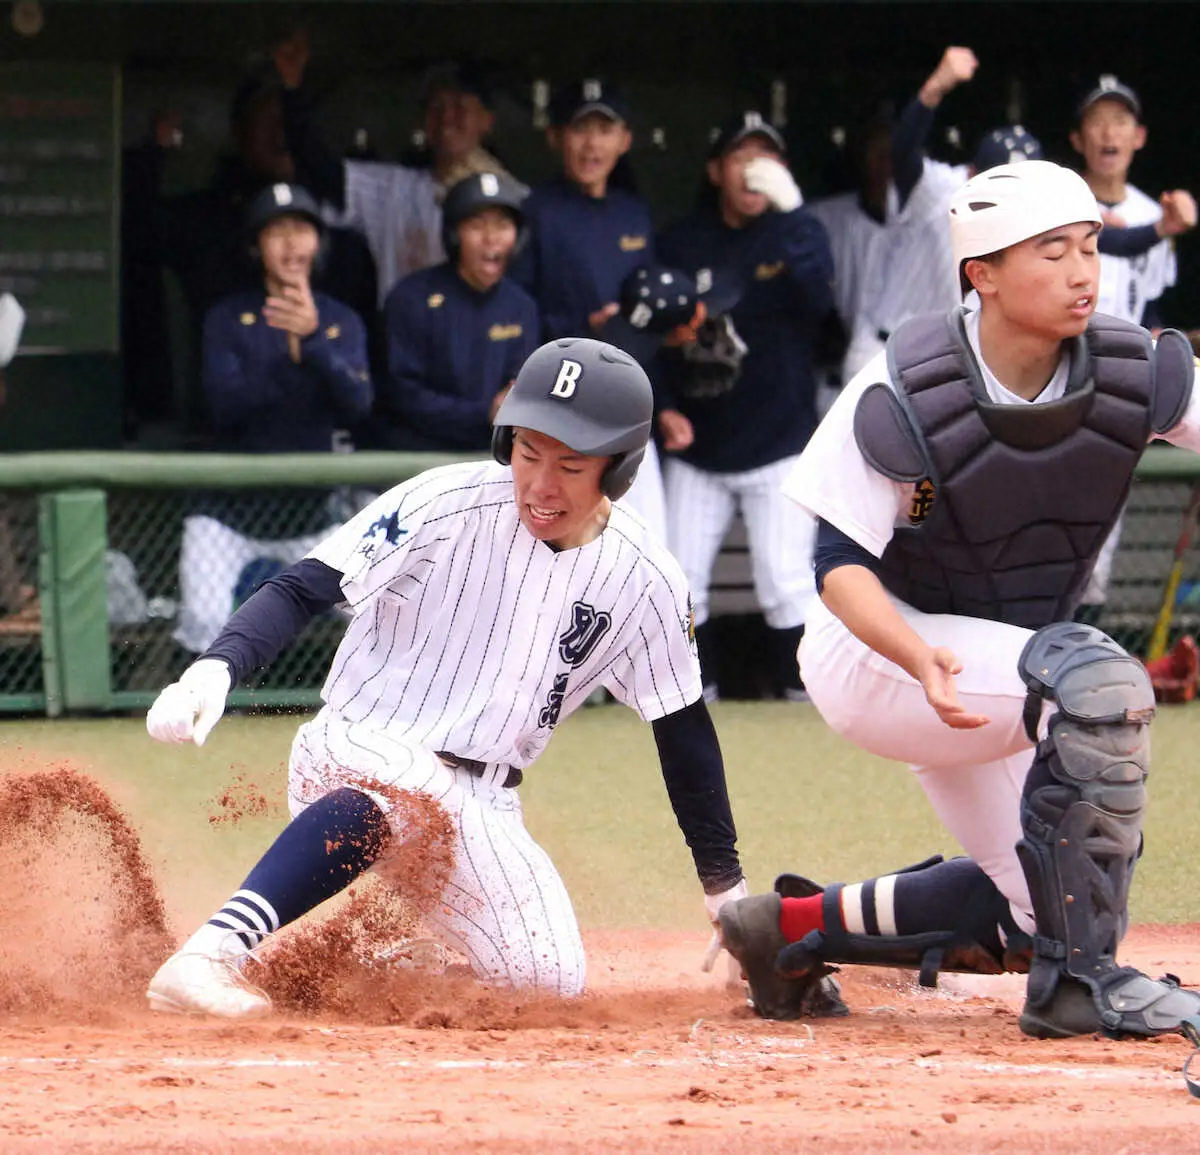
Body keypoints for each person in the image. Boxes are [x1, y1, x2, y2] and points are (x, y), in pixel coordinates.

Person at [715, 159, 1200, 1039]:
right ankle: (1077, 991)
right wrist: (913, 654)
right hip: (875, 654)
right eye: (1051, 251)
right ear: (981, 272)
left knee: (1053, 896)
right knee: (1102, 688)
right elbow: (835, 564)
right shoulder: (903, 383)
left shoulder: (1129, 367)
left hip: (1002, 664)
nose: (1082, 270)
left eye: (1089, 246)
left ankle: (783, 931)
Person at [143, 337, 751, 1019]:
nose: (541, 483)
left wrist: (726, 895)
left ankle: (371, 968)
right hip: (355, 748)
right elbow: (301, 588)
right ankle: (210, 954)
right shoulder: (444, 502)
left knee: (548, 978)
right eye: (527, 452)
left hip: (482, 798)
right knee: (412, 790)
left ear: (620, 471)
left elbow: (682, 729)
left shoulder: (646, 577)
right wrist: (214, 668)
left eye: (571, 464)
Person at [653, 111, 835, 700]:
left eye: (768, 157)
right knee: (680, 584)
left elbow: (820, 301)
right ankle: (689, 696)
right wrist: (664, 405)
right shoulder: (683, 240)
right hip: (699, 442)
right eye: (742, 157)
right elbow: (653, 332)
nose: (756, 170)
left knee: (787, 583)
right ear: (715, 170)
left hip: (779, 439)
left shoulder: (794, 232)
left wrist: (795, 212)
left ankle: (804, 695)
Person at [174, 182, 372, 655]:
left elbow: (359, 404)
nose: (290, 243)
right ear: (255, 246)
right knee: (204, 621)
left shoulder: (339, 320)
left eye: (301, 230)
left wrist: (315, 343)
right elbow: (225, 406)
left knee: (373, 610)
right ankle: (210, 715)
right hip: (230, 516)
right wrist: (286, 353)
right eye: (276, 231)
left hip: (316, 516)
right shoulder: (227, 317)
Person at [510, 78, 668, 541]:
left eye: (604, 129)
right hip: (559, 402)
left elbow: (651, 318)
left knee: (645, 538)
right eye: (581, 129)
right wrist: (583, 330)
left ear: (624, 140)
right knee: (561, 539)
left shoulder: (633, 213)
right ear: (556, 136)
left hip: (627, 400)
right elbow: (521, 308)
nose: (592, 143)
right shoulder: (537, 211)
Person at [1069, 74, 1197, 616]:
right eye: (1098, 120)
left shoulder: (1151, 211)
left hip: (1118, 385)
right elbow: (1108, 238)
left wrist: (1175, 342)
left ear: (1139, 135)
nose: (1109, 132)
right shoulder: (1060, 197)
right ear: (1078, 138)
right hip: (1059, 373)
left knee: (1100, 543)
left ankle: (1076, 671)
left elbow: (1149, 305)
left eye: (1120, 120)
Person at [273, 32, 519, 305]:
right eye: (436, 106)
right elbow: (322, 172)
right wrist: (291, 94)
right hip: (404, 338)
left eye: (460, 106)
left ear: (487, 121)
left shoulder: (518, 199)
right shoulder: (395, 189)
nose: (447, 117)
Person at [366, 172, 538, 451]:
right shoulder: (410, 298)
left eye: (502, 225)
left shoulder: (522, 306)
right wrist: (483, 413)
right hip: (417, 459)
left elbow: (520, 387)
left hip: (492, 460)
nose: (491, 238)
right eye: (477, 225)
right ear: (454, 234)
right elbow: (402, 395)